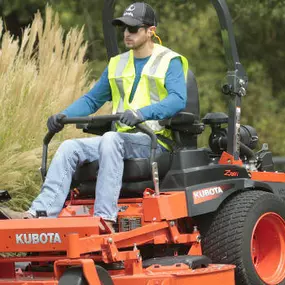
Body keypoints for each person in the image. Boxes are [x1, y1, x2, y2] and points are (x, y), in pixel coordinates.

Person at [0, 2, 188, 232]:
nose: (127, 34)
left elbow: (178, 99)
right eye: (124, 29)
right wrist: (63, 115)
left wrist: (141, 113)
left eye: (133, 29)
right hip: (122, 140)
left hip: (153, 141)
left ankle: (104, 219)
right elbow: (91, 100)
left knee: (111, 139)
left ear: (151, 31)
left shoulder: (170, 61)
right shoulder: (117, 64)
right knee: (70, 147)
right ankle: (39, 213)